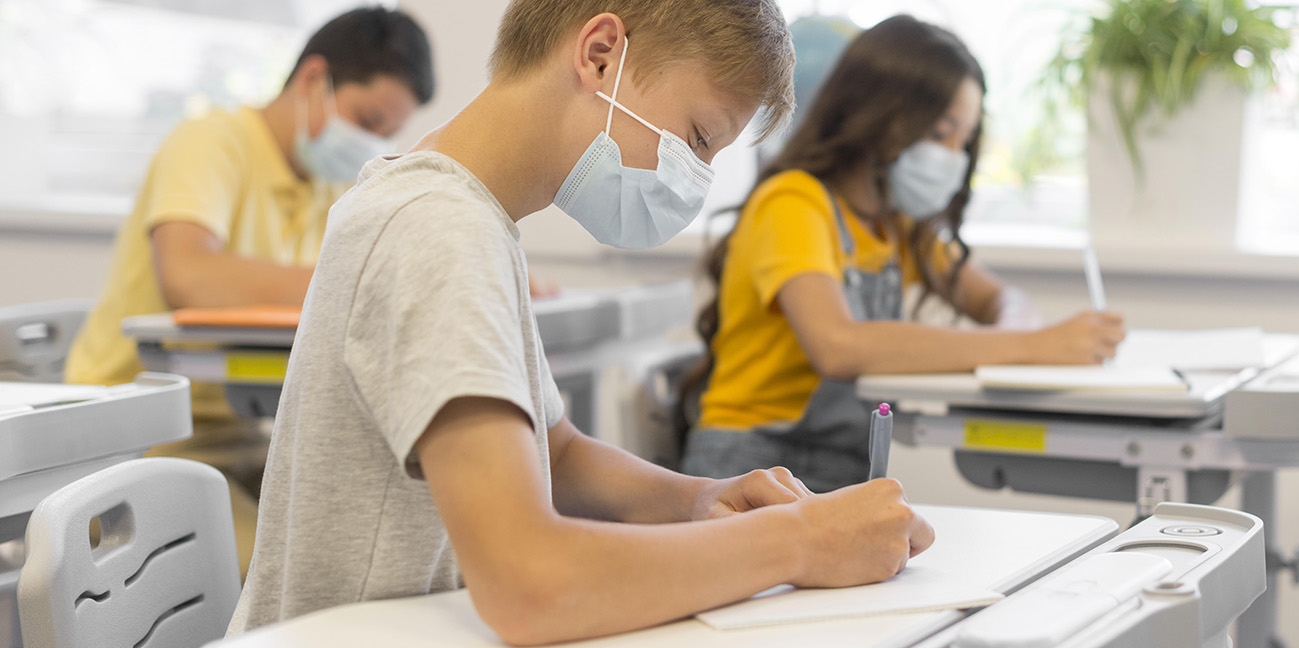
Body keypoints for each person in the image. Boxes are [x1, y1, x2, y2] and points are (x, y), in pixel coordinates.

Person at [226, 1, 935, 644]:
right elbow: (529, 583)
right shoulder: (434, 229)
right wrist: (799, 542)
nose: (692, 179)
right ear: (599, 54)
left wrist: (698, 498)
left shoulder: (467, 215)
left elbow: (554, 451)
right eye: (696, 138)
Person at [678, 16, 1126, 493]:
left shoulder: (898, 225)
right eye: (940, 134)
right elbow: (838, 346)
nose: (953, 157)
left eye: (964, 141)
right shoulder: (793, 202)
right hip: (746, 468)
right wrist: (1031, 347)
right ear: (881, 115)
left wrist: (1018, 328)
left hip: (838, 472)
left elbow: (999, 298)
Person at [63, 6, 435, 576]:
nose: (370, 143)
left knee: (388, 545)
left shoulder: (331, 184)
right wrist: (366, 276)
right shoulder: (212, 142)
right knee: (292, 577)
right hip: (135, 435)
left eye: (387, 135)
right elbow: (189, 275)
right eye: (367, 119)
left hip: (244, 430)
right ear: (314, 78)